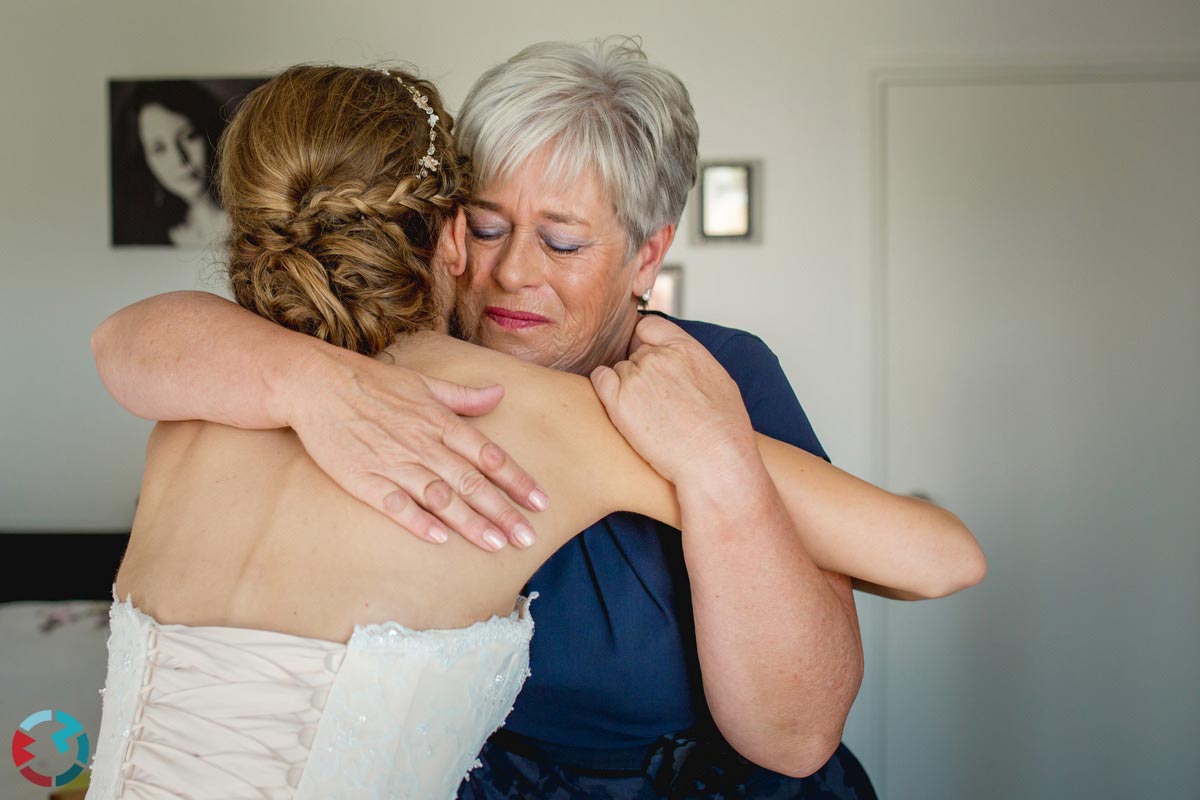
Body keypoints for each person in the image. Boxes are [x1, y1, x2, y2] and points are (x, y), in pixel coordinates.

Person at [92, 42, 986, 799]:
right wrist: (308, 384)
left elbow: (808, 718)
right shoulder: (352, 352)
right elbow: (132, 341)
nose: (516, 272)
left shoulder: (711, 375)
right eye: (487, 228)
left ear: (648, 254)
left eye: (562, 242)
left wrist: (717, 465)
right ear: (443, 226)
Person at [111, 81, 228, 247]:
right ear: (144, 160)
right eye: (159, 149)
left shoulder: (255, 225)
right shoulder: (144, 235)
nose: (179, 159)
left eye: (189, 136)